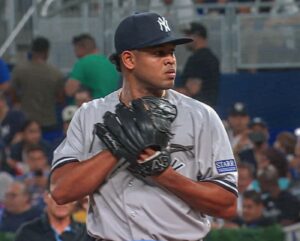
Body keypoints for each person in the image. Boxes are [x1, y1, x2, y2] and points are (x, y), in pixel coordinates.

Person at [50, 12, 237, 241]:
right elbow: (61, 191)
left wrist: (162, 173)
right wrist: (118, 147)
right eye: (159, 53)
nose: (170, 60)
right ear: (128, 60)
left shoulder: (202, 116)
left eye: (171, 52)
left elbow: (226, 205)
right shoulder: (91, 114)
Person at [10, 37, 65, 133]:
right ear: (47, 52)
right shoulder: (56, 73)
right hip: (48, 121)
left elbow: (12, 92)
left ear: (32, 51)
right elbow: (60, 98)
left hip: (25, 122)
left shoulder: (19, 70)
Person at [14, 182, 90, 241]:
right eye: (56, 195)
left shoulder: (86, 233)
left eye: (68, 196)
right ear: (46, 197)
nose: (62, 202)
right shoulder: (28, 232)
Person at [65, 33, 120, 99]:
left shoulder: (83, 62)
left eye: (75, 49)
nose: (75, 53)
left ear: (81, 48)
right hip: (113, 104)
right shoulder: (110, 63)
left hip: (93, 106)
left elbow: (69, 90)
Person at [180, 22, 220, 108]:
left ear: (197, 36)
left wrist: (166, 93)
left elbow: (193, 89)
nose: (185, 38)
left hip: (198, 109)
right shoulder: (209, 57)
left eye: (188, 34)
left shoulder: (200, 58)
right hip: (204, 109)